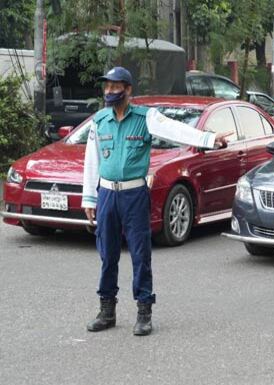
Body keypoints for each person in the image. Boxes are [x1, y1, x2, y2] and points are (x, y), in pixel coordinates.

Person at [82, 67, 230, 336]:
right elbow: (92, 160)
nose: (109, 92)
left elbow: (175, 130)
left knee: (140, 254)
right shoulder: (99, 120)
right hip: (106, 195)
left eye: (116, 87)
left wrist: (208, 139)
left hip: (134, 194)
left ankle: (144, 311)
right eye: (107, 87)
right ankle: (107, 310)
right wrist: (89, 198)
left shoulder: (145, 117)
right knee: (107, 255)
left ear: (128, 90)